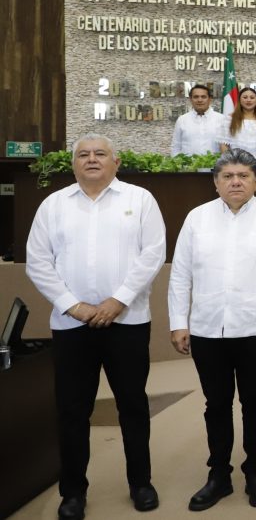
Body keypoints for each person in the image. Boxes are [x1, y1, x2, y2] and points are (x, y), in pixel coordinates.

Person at [26, 134, 167, 520]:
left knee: (133, 407)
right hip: (72, 325)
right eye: (83, 154)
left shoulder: (139, 200)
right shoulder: (53, 205)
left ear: (116, 162)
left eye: (99, 154)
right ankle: (73, 492)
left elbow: (152, 254)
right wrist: (75, 306)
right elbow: (37, 261)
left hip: (128, 321)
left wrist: (116, 300)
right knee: (72, 411)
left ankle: (141, 483)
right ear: (72, 164)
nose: (91, 159)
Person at [167, 149, 256, 510]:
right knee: (216, 404)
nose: (235, 182)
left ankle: (255, 472)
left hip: (255, 328)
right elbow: (180, 275)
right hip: (207, 328)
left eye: (243, 176)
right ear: (216, 182)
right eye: (227, 176)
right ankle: (219, 475)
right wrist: (179, 322)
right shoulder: (197, 218)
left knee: (255, 403)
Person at [221, 87, 256, 167]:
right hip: (236, 165)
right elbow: (223, 144)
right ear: (239, 100)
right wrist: (231, 164)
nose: (248, 100)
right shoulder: (230, 118)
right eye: (245, 97)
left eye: (252, 97)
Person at [172, 84, 225, 156]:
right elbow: (176, 147)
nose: (199, 100)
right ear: (190, 99)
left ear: (210, 99)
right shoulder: (182, 120)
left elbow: (227, 147)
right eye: (196, 97)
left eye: (203, 97)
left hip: (215, 166)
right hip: (189, 166)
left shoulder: (222, 119)